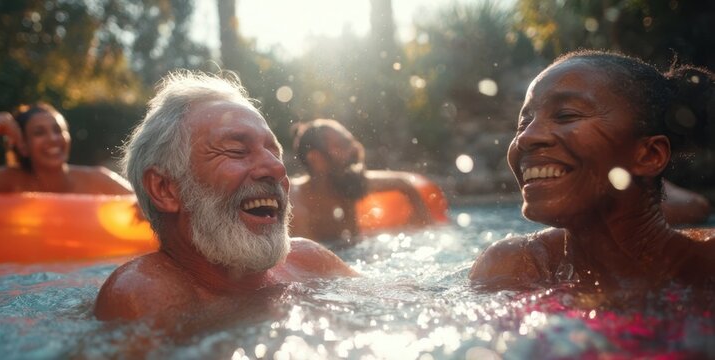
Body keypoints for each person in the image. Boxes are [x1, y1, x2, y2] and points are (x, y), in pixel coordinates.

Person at [94, 71, 357, 328]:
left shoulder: (309, 261)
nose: (277, 169)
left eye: (273, 152)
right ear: (165, 189)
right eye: (237, 150)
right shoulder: (146, 293)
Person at [469, 50, 715, 292]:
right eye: (524, 123)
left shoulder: (704, 268)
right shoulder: (515, 267)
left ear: (650, 156)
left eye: (566, 115)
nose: (525, 137)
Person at [0, 102, 133, 204]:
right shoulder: (11, 180)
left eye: (58, 130)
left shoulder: (96, 180)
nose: (53, 139)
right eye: (39, 133)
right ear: (23, 146)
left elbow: (145, 206)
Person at [289, 119, 433, 244]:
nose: (354, 150)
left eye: (351, 143)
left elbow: (404, 185)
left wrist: (424, 233)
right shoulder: (296, 204)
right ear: (316, 160)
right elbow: (311, 264)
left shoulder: (349, 183)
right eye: (342, 145)